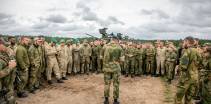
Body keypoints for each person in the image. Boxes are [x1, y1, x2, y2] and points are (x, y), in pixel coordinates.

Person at [174, 36, 202, 104]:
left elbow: (183, 67)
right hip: (194, 78)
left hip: (186, 78)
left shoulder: (187, 52)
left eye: (184, 42)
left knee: (178, 98)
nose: (183, 44)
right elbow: (200, 63)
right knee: (189, 98)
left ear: (187, 42)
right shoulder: (197, 51)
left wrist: (178, 68)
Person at [103, 37, 123, 104]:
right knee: (116, 84)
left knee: (106, 84)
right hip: (116, 69)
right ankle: (115, 101)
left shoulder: (105, 47)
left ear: (111, 40)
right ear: (116, 40)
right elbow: (122, 60)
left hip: (106, 68)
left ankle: (106, 100)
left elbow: (101, 57)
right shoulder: (119, 48)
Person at [0, 37, 17, 104]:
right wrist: (9, 67)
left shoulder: (3, 54)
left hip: (7, 84)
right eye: (4, 45)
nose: (6, 47)